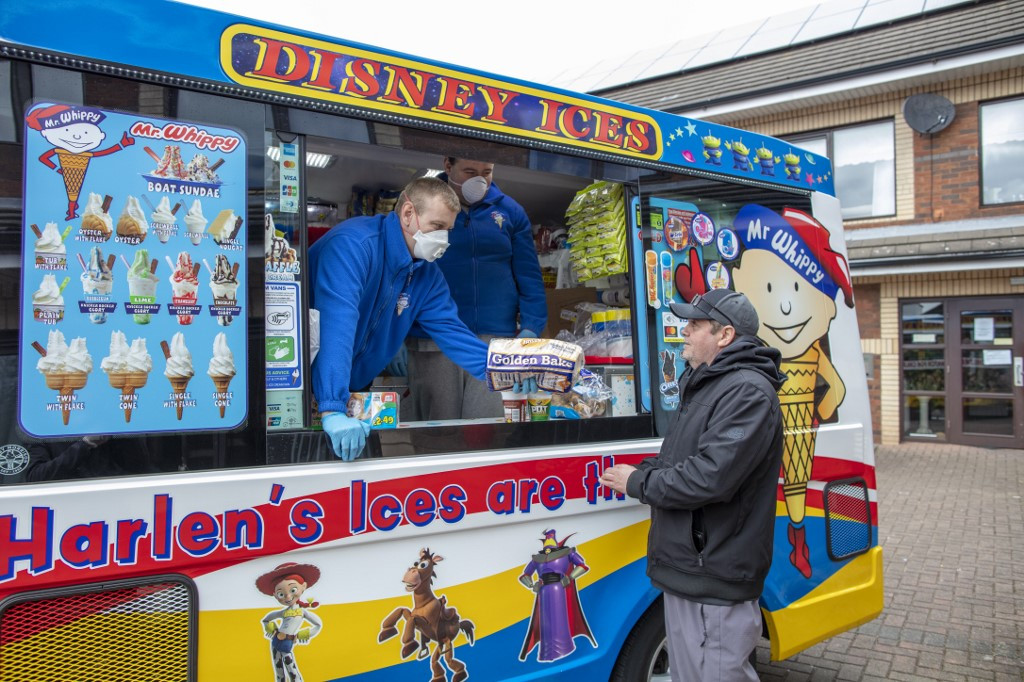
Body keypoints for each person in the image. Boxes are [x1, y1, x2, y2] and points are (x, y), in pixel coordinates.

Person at [599, 289, 786, 682]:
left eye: (694, 325)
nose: (683, 332)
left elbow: (710, 477)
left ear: (725, 335)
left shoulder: (747, 391)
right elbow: (683, 460)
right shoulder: (709, 383)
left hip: (713, 573)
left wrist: (639, 482)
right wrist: (644, 470)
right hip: (692, 570)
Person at [309, 177, 532, 461]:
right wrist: (331, 407)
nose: (444, 238)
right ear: (407, 214)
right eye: (437, 227)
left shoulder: (427, 275)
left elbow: (455, 335)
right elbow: (336, 325)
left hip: (353, 390)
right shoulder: (354, 246)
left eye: (448, 230)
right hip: (308, 385)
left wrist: (504, 371)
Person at [402, 157, 547, 420]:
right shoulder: (426, 205)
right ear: (448, 166)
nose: (479, 180)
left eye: (487, 172)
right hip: (433, 339)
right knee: (437, 430)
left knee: (487, 429)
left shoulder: (511, 212)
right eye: (469, 171)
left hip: (496, 340)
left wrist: (530, 329)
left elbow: (530, 278)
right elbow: (405, 267)